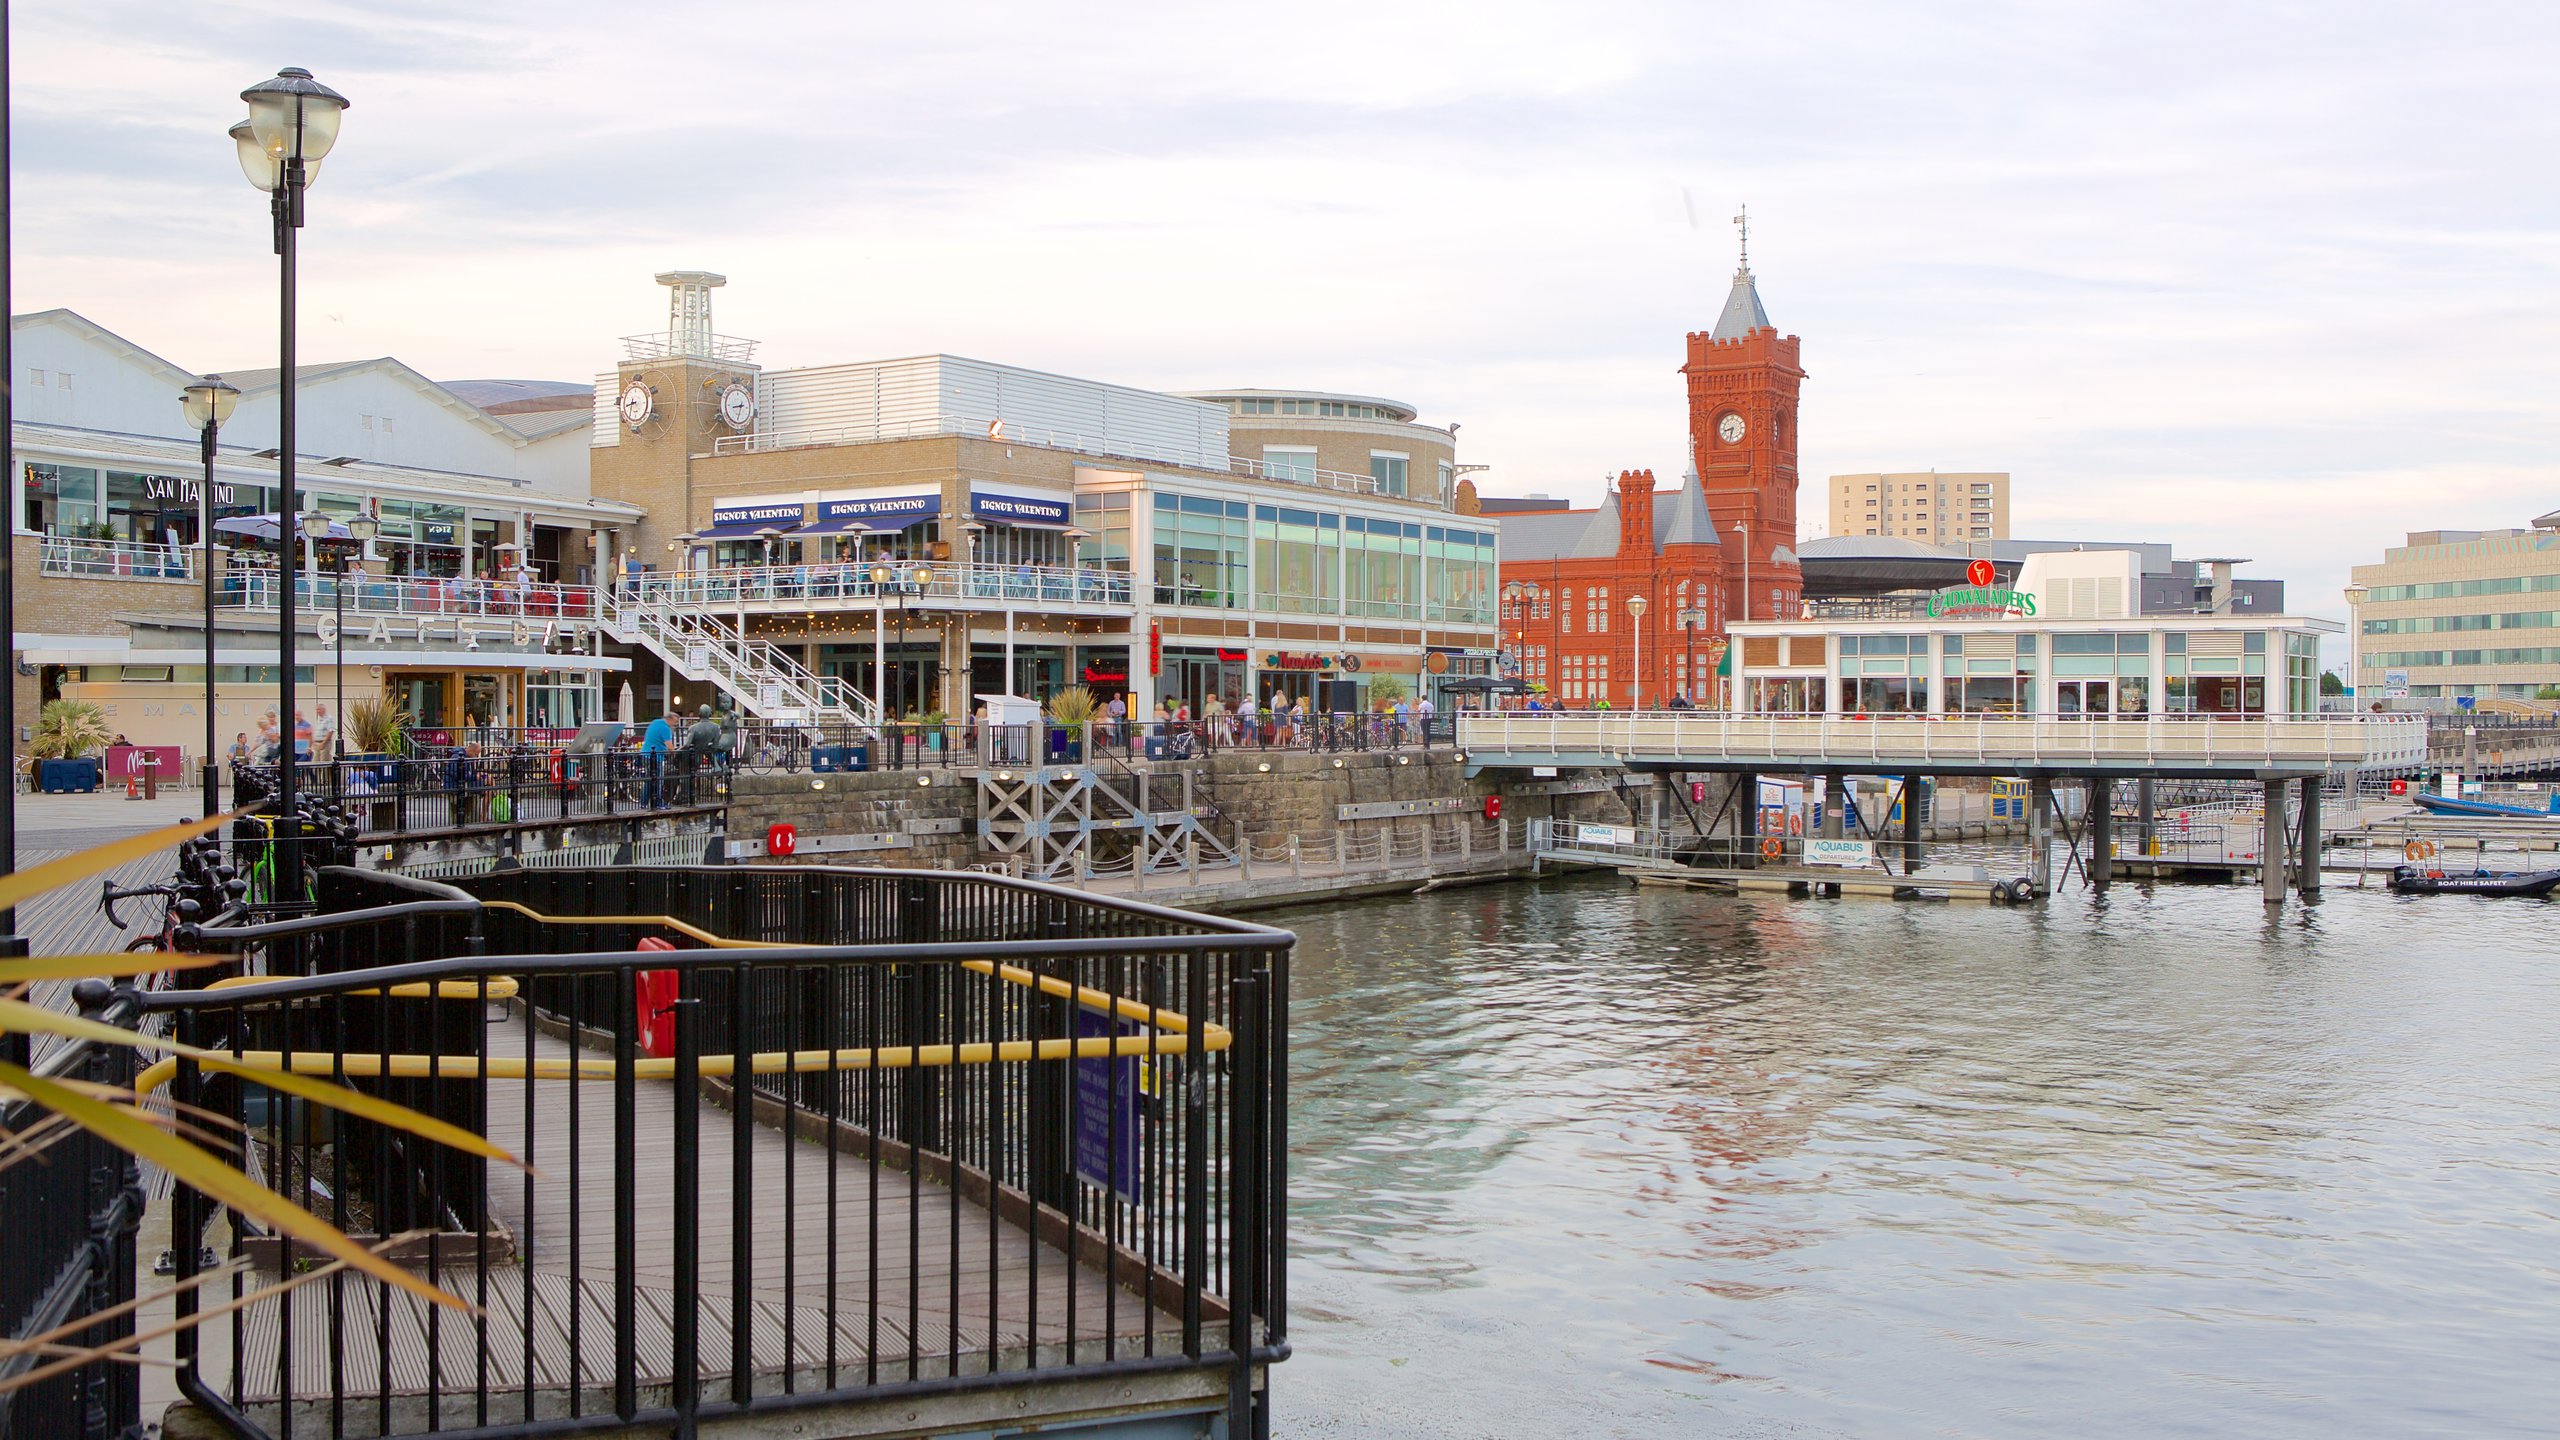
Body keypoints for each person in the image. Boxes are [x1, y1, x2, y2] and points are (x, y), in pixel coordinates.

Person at [641, 707, 674, 808]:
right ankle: (658, 802)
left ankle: (643, 802)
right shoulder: (665, 728)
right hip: (656, 756)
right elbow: (669, 745)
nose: (674, 725)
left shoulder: (655, 722)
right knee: (658, 780)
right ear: (670, 719)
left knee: (649, 780)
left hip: (645, 753)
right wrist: (674, 753)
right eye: (675, 722)